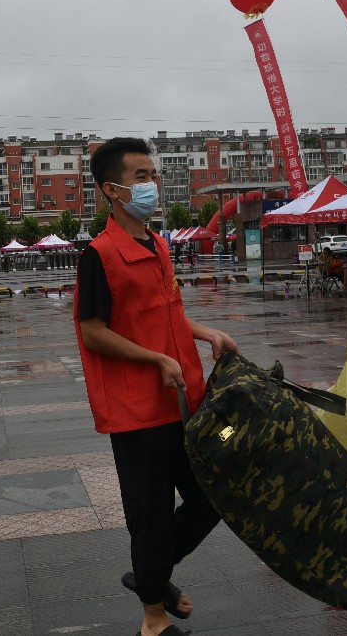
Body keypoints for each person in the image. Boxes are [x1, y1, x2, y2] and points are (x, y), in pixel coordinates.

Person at [74, 137, 238, 636]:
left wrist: (206, 332)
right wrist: (155, 359)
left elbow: (167, 314)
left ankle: (151, 574)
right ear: (112, 190)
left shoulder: (158, 243)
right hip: (137, 410)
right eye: (141, 176)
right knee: (150, 515)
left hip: (185, 401)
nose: (152, 185)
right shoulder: (99, 255)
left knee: (216, 493)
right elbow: (92, 331)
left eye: (153, 175)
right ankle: (154, 618)